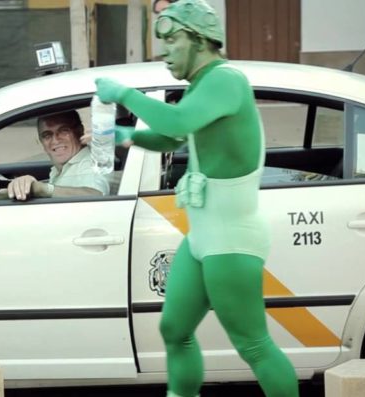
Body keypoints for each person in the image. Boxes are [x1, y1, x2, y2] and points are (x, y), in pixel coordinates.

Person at [94, 1, 299, 396]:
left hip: (231, 239)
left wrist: (123, 93)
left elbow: (177, 122)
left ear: (201, 39)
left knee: (253, 344)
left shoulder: (225, 79)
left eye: (172, 39)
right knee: (174, 329)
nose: (164, 51)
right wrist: (128, 137)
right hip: (204, 236)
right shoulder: (203, 86)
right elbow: (173, 137)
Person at [0, 110, 109, 201]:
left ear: (79, 132)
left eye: (63, 131)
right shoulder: (62, 168)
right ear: (41, 142)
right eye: (47, 135)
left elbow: (96, 196)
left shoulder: (89, 164)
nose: (55, 140)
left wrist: (43, 189)